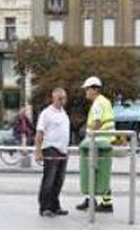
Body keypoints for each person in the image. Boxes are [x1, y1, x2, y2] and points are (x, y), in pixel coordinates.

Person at [76, 76, 115, 213]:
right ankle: (95, 200)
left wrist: (89, 137)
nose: (86, 92)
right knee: (99, 172)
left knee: (93, 171)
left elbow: (97, 123)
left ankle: (99, 202)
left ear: (94, 89)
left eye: (87, 89)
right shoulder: (104, 101)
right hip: (104, 141)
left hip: (98, 142)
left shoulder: (98, 103)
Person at [35, 88, 71, 218]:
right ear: (53, 98)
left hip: (63, 150)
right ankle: (44, 207)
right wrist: (38, 150)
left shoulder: (64, 113)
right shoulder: (46, 113)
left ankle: (55, 206)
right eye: (59, 98)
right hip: (51, 148)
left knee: (59, 180)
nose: (62, 101)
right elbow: (40, 132)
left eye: (64, 98)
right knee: (49, 179)